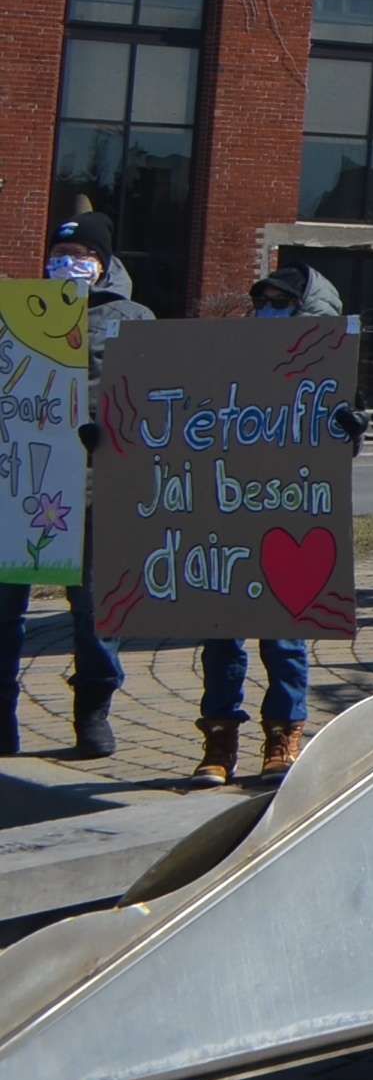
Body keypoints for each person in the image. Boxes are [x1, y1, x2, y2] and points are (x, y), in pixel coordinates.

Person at [187, 266, 342, 783]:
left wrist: (349, 432)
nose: (269, 310)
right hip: (228, 512)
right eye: (265, 301)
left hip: (289, 520)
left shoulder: (327, 370)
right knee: (220, 632)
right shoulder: (228, 360)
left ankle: (282, 734)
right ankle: (219, 739)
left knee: (283, 633)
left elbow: (334, 457)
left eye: (282, 302)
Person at [2, 216, 140, 758]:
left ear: (103, 262)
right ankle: (2, 718)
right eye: (59, 252)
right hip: (20, 487)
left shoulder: (133, 319)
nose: (67, 262)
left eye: (79, 252)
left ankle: (93, 713)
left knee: (94, 609)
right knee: (5, 610)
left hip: (94, 488)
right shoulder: (17, 314)